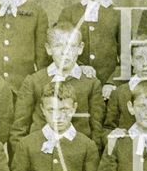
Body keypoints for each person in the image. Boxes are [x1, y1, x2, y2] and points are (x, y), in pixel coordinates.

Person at [10, 21, 104, 152]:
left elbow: (97, 131)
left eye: (72, 46)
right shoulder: (33, 81)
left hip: (77, 157)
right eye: (59, 46)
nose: (65, 52)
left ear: (80, 48)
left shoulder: (91, 83)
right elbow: (19, 129)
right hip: (39, 156)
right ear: (49, 48)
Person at [58, 0, 121, 85]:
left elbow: (126, 55)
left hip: (106, 85)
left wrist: (111, 83)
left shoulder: (118, 14)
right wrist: (79, 66)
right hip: (74, 80)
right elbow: (60, 48)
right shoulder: (69, 12)